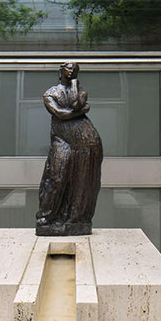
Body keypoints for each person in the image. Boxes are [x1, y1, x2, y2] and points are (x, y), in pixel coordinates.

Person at [36, 62, 103, 235]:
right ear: (61, 70)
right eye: (68, 67)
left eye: (76, 68)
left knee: (83, 181)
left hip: (87, 142)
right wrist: (81, 111)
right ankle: (46, 218)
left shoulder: (80, 91)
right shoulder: (50, 93)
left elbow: (74, 104)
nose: (72, 70)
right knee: (57, 177)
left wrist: (74, 84)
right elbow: (61, 114)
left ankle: (75, 220)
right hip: (63, 139)